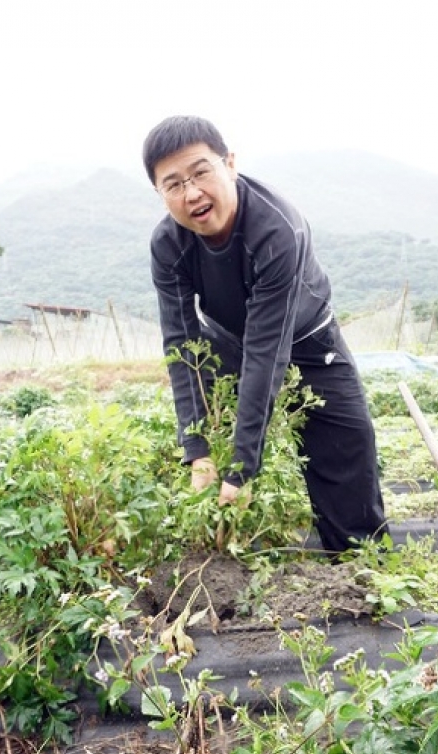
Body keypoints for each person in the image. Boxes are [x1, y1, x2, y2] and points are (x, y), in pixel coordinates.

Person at [142, 115, 388, 554]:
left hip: (310, 344)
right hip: (227, 344)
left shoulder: (276, 230)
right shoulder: (168, 245)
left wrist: (241, 467)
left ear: (229, 164)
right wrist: (197, 448)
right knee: (212, 447)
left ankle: (360, 570)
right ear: (161, 194)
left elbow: (267, 350)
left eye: (200, 172)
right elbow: (182, 346)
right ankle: (233, 558)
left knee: (346, 451)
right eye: (173, 184)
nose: (192, 192)